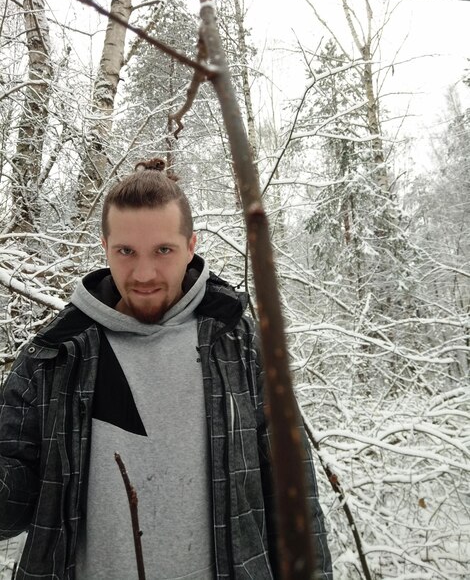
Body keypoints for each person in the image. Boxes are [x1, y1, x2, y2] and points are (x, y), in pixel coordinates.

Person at [0, 161, 332, 580]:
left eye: (163, 250)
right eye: (126, 251)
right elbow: (13, 506)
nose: (144, 274)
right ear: (105, 246)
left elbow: (294, 492)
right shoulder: (53, 356)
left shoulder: (240, 344)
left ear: (191, 246)